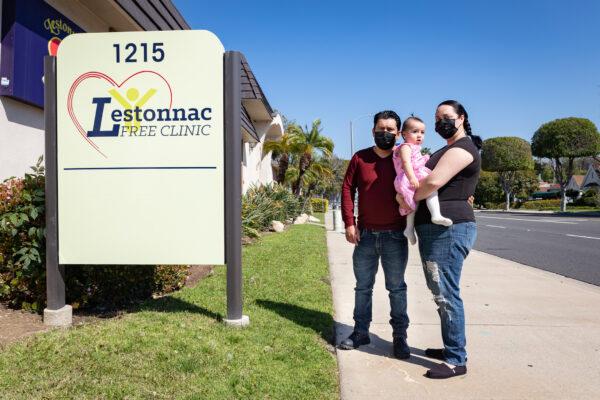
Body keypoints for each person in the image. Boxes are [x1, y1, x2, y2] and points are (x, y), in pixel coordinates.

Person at [397, 100, 481, 379]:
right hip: (435, 229)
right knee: (441, 292)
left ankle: (456, 359)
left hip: (449, 228)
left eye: (446, 117)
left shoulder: (463, 148)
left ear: (461, 118)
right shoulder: (448, 149)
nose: (439, 122)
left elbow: (432, 183)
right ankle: (451, 348)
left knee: (446, 294)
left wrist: (406, 196)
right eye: (437, 118)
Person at [339, 110, 411, 360]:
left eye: (391, 130)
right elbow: (347, 189)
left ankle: (400, 337)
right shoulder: (360, 158)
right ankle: (360, 332)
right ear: (373, 131)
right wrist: (350, 222)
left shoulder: (403, 159)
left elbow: (424, 179)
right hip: (366, 236)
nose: (385, 133)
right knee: (363, 288)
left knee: (397, 289)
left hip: (395, 236)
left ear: (398, 133)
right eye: (381, 129)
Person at [392, 116, 452, 246]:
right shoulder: (405, 147)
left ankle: (410, 228)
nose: (419, 135)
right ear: (403, 134)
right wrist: (412, 177)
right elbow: (406, 162)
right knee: (428, 193)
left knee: (415, 203)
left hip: (413, 176)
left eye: (422, 132)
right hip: (409, 178)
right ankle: (433, 216)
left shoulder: (414, 148)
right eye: (415, 132)